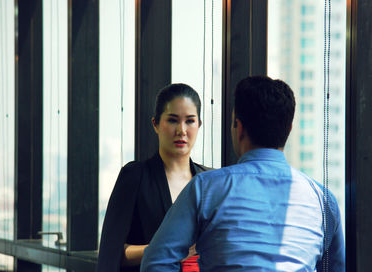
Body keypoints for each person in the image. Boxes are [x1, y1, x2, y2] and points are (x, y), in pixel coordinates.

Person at [141, 76, 345, 271]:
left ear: (238, 128)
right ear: (289, 129)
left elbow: (156, 262)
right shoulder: (322, 200)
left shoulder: (206, 188)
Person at [97, 83, 209, 272]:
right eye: (173, 120)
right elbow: (112, 253)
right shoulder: (135, 176)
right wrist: (167, 249)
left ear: (199, 124)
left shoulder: (208, 179)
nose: (182, 130)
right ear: (156, 124)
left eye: (190, 121)